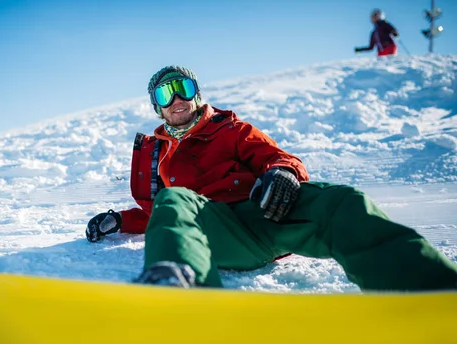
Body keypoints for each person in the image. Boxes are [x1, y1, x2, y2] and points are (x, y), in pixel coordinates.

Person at [86, 65, 457, 291]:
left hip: (267, 217)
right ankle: (182, 289)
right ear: (158, 107)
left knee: (340, 199)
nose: (176, 99)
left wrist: (282, 174)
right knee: (173, 198)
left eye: (183, 88)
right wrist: (120, 220)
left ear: (197, 95)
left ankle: (430, 289)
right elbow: (167, 215)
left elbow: (276, 158)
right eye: (165, 93)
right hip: (213, 234)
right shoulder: (162, 153)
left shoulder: (231, 129)